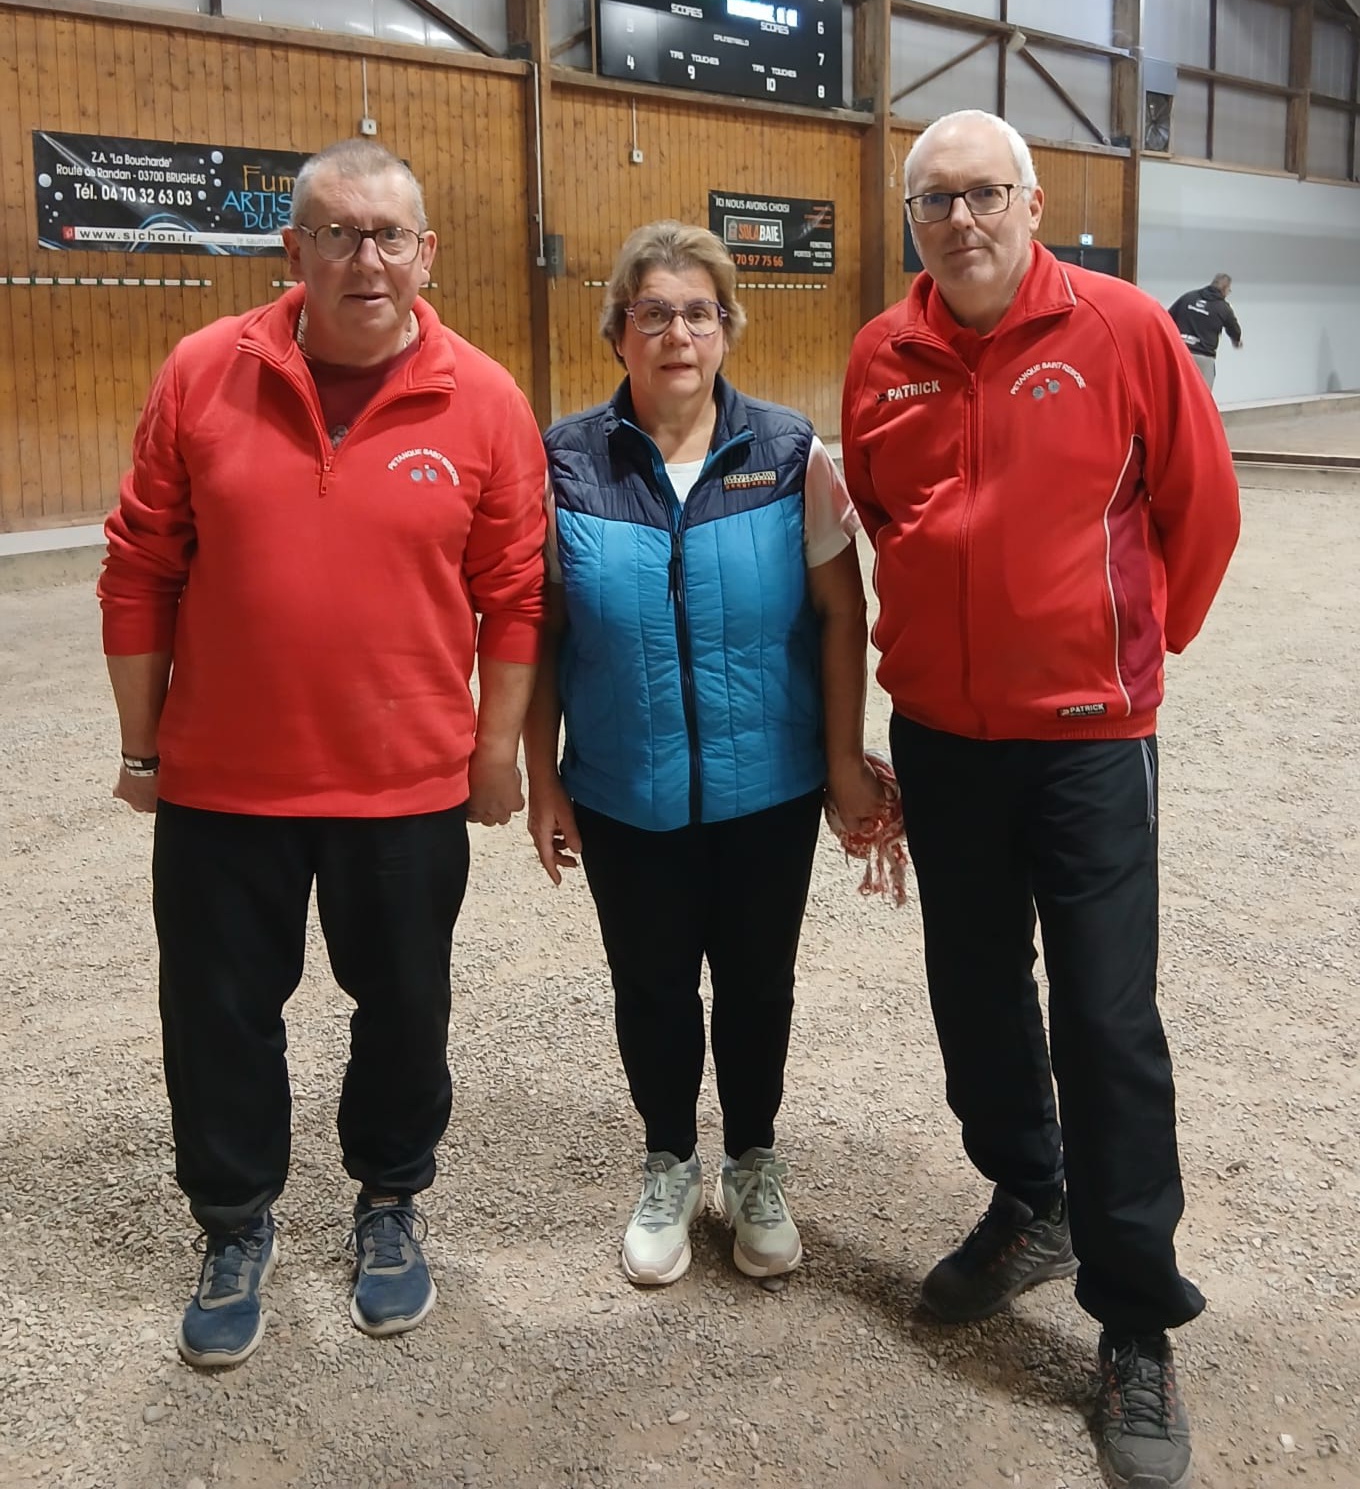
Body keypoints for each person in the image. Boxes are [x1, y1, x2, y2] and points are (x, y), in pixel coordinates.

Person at [98, 139, 546, 1369]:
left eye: (388, 234)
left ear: (425, 253)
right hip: (224, 781)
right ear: (292, 248)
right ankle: (234, 1221)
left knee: (403, 1007)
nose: (365, 258)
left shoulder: (483, 399)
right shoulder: (204, 372)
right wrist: (142, 748)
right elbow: (139, 566)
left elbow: (515, 594)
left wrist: (495, 752)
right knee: (218, 1016)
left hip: (403, 785)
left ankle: (390, 1201)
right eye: (337, 234)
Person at [841, 110, 1240, 1489]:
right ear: (911, 219)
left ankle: (1134, 1320)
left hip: (1088, 742)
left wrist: (1126, 659)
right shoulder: (881, 356)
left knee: (1106, 1018)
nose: (959, 220)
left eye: (983, 194)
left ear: (1031, 199)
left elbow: (1202, 506)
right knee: (971, 988)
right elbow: (887, 521)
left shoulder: (1122, 329)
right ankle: (1032, 1194)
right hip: (944, 740)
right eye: (934, 200)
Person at [523, 221, 883, 1288]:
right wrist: (542, 779)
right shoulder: (564, 464)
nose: (676, 333)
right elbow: (539, 632)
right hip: (623, 791)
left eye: (698, 312)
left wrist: (844, 760)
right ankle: (669, 1163)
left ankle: (753, 1160)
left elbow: (841, 612)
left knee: (758, 986)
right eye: (653, 313)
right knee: (651, 987)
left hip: (766, 789)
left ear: (726, 329)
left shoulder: (790, 453)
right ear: (618, 332)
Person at [1168, 274, 1242, 390]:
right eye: (1229, 290)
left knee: (1173, 390)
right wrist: (1236, 341)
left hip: (1179, 352)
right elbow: (1234, 330)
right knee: (1202, 395)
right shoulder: (1224, 308)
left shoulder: (1188, 297)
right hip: (1203, 357)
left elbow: (1167, 317)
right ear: (1225, 289)